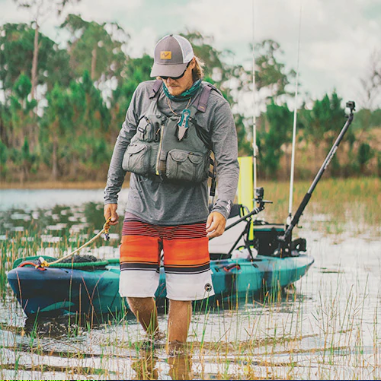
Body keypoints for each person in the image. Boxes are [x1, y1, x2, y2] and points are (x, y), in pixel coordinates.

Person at [104, 34, 239, 352]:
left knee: (182, 295)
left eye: (175, 74)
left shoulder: (215, 106)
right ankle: (153, 338)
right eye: (162, 74)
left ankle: (176, 354)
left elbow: (228, 163)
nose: (168, 81)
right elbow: (123, 142)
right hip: (141, 207)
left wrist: (221, 207)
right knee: (135, 292)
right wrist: (111, 194)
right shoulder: (143, 94)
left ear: (192, 65)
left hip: (188, 214)